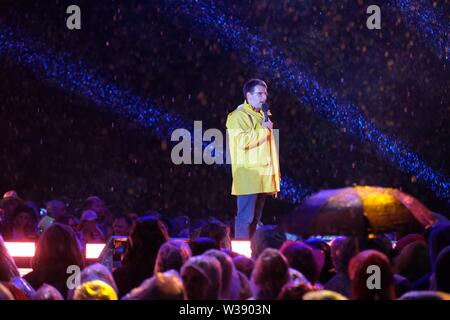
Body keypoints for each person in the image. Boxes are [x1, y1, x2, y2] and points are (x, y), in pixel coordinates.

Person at [226, 79, 281, 239]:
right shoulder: (238, 116)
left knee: (255, 220)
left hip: (262, 177)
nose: (264, 97)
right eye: (259, 93)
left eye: (265, 93)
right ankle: (241, 258)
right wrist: (264, 131)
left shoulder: (263, 116)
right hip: (249, 176)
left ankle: (252, 256)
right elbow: (242, 141)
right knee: (245, 219)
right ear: (248, 95)